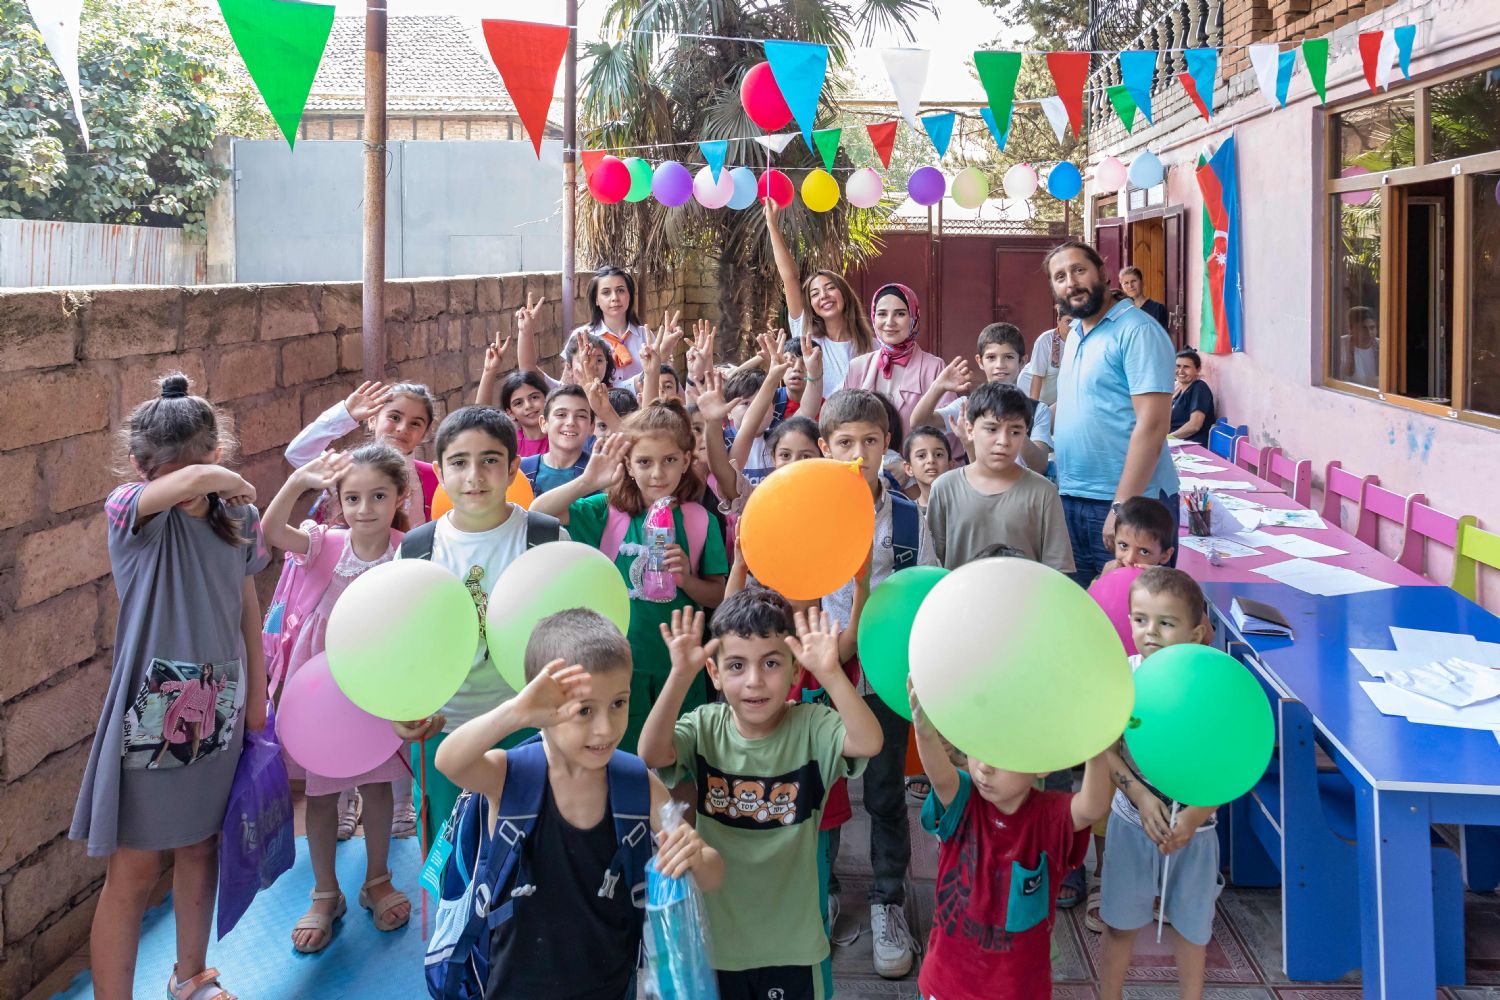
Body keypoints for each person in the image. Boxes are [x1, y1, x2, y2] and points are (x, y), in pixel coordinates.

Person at [73, 373, 271, 1000]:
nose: (196, 479)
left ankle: (191, 977)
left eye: (206, 463)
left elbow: (247, 608)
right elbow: (180, 486)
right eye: (177, 469)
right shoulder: (131, 512)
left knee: (200, 849)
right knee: (131, 871)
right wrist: (214, 475)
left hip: (220, 705)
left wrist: (258, 694)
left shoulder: (236, 519)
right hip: (150, 714)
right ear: (140, 468)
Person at [435, 608, 724, 999]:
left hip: (610, 985)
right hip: (512, 987)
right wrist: (516, 712)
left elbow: (712, 876)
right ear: (543, 705)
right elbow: (450, 761)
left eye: (618, 704)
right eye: (584, 710)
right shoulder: (511, 778)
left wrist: (695, 856)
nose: (605, 728)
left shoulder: (638, 784)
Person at [639, 594, 883, 999]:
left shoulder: (812, 727)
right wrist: (680, 676)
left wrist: (829, 673)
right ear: (714, 673)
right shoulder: (706, 727)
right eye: (737, 665)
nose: (754, 680)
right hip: (718, 946)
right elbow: (651, 753)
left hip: (794, 947)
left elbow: (869, 741)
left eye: (771, 663)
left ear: (793, 671)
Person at [261, 444, 414, 951]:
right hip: (322, 692)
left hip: (377, 685)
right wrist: (298, 481)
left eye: (377, 496)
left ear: (399, 497)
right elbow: (271, 530)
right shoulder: (324, 543)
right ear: (337, 501)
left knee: (376, 785)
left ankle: (376, 880)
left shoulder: (410, 549)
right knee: (322, 792)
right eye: (352, 498)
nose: (365, 508)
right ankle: (326, 892)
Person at [392, 405, 567, 845]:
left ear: (513, 469)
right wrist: (401, 709)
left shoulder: (545, 539)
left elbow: (571, 633)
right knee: (452, 849)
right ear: (438, 471)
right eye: (459, 462)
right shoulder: (417, 549)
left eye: (490, 460)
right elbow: (401, 642)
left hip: (532, 725)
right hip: (445, 728)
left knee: (532, 844)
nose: (475, 475)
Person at [818, 388, 937, 979]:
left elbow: (924, 597)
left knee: (887, 791)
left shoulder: (913, 516)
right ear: (824, 447)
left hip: (887, 676)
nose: (859, 454)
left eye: (870, 441)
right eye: (845, 443)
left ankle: (890, 899)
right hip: (823, 671)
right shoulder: (809, 511)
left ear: (888, 443)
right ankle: (824, 887)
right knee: (821, 789)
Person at [531, 400, 729, 752]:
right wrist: (589, 480)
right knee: (625, 757)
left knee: (680, 757)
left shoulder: (700, 520)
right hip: (619, 667)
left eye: (669, 460)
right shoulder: (605, 512)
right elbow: (538, 514)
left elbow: (718, 595)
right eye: (644, 462)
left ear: (686, 461)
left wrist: (687, 579)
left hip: (681, 667)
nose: (657, 473)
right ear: (628, 465)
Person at [910, 679, 1112, 1000]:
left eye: (1002, 755)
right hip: (946, 986)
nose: (985, 767)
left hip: (1019, 991)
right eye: (981, 746)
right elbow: (940, 774)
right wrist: (923, 728)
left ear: (1042, 765)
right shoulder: (963, 800)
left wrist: (1098, 743)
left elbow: (1094, 805)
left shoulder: (1049, 817)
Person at [1099, 568, 1220, 1000]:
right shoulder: (1123, 680)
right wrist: (1140, 796)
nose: (1150, 633)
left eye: (1166, 623)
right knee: (1119, 926)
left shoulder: (1211, 686)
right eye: (1139, 619)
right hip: (1132, 821)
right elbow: (1104, 750)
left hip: (1197, 831)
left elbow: (1230, 761)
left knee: (1192, 931)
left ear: (1198, 632)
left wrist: (1195, 815)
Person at [1047, 240, 1180, 586]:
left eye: (1079, 270)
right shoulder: (1076, 333)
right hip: (1072, 495)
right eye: (1060, 276)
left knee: (1134, 622)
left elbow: (1153, 425)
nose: (1071, 283)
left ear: (1103, 273)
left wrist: (1121, 507)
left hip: (1130, 505)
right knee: (1084, 619)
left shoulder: (1138, 330)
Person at [925, 383, 1074, 574]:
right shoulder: (944, 488)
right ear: (969, 429)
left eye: (1015, 432)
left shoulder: (1044, 492)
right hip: (960, 601)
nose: (1003, 441)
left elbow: (1058, 570)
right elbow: (931, 564)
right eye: (991, 429)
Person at [287, 378, 439, 527]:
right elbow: (298, 452)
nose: (402, 428)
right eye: (394, 417)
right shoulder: (347, 467)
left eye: (415, 423)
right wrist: (345, 416)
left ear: (425, 433)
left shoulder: (434, 477)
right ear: (372, 420)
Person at [765, 199, 875, 402]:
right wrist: (772, 225)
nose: (823, 295)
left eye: (830, 288)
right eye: (815, 294)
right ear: (811, 306)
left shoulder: (872, 347)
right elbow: (790, 277)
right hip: (815, 427)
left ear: (845, 295)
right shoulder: (805, 335)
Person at [912, 322, 1052, 473]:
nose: (1000, 365)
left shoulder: (1037, 410)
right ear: (980, 361)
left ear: (1023, 361)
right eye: (991, 357)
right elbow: (919, 423)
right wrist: (938, 386)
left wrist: (1013, 423)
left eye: (1008, 357)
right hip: (980, 491)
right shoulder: (967, 405)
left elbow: (1040, 465)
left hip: (1023, 493)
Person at [843, 284, 952, 438]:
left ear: (914, 317)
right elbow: (844, 424)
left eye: (900, 314)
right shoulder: (857, 366)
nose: (889, 322)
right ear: (873, 317)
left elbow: (950, 433)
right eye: (882, 314)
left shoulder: (935, 367)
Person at [515, 292, 620, 393]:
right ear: (569, 368)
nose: (592, 366)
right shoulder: (562, 393)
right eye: (585, 359)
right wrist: (525, 331)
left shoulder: (615, 396)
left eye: (599, 360)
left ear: (607, 364)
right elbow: (528, 369)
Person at [517, 385, 593, 496]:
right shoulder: (522, 470)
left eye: (581, 416)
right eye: (561, 414)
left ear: (592, 427)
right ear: (543, 423)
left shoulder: (597, 472)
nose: (570, 422)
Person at [479, 363, 549, 459]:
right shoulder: (510, 444)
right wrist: (488, 372)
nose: (528, 406)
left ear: (547, 399)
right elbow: (479, 423)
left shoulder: (561, 434)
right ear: (510, 413)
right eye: (518, 403)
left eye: (534, 397)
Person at [1101, 495, 1177, 575]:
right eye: (1123, 545)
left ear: (1165, 555)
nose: (1130, 559)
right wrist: (1103, 579)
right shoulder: (1109, 572)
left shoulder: (1168, 585)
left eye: (1144, 551)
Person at [1022, 304, 1070, 407]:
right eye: (1068, 321)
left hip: (1055, 400)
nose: (1072, 326)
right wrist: (1034, 409)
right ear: (1058, 320)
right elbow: (1037, 377)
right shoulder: (1045, 340)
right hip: (1031, 392)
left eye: (1076, 322)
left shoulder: (1080, 340)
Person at [1168, 349, 1216, 448]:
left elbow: (1194, 426)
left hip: (1192, 446)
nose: (1180, 371)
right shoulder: (1179, 390)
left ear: (1197, 369)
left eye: (1186, 367)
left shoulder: (1200, 388)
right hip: (1176, 443)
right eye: (1177, 366)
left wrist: (1168, 439)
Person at [901, 425, 951, 516]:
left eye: (939, 455)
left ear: (951, 465)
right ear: (909, 468)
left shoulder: (964, 505)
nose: (931, 460)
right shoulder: (908, 515)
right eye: (921, 456)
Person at [1338, 305, 1379, 387]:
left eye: (1372, 328)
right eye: (1363, 328)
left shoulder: (1383, 347)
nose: (1369, 332)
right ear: (1351, 329)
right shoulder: (1339, 345)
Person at [1120, 266, 1170, 330]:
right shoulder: (1121, 310)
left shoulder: (1157, 309)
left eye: (1133, 281)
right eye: (1126, 283)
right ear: (1122, 286)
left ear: (1142, 282)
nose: (1130, 286)